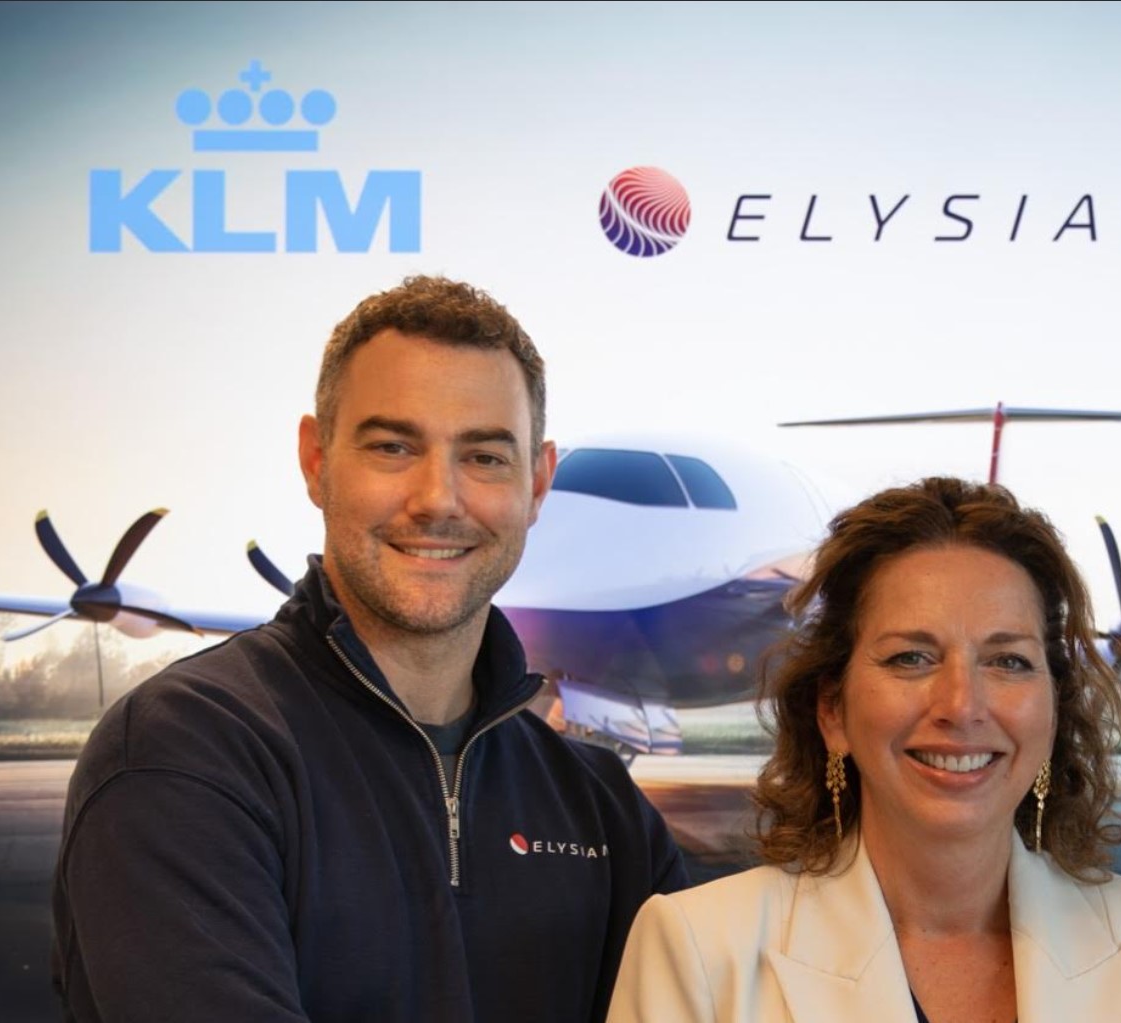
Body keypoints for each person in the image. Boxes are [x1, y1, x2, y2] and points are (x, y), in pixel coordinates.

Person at [52, 276, 689, 1022]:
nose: (437, 499)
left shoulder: (602, 803)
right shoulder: (182, 754)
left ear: (538, 483)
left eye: (485, 457)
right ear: (316, 460)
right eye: (393, 447)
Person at [608, 477, 1121, 1023]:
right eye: (911, 658)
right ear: (832, 712)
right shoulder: (697, 948)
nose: (961, 705)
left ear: (1054, 711)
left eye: (1008, 661)